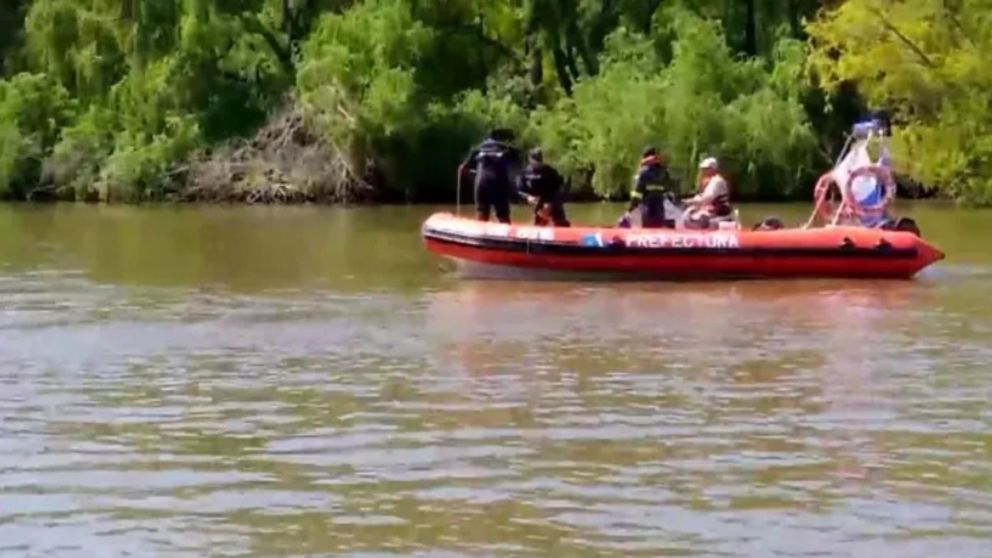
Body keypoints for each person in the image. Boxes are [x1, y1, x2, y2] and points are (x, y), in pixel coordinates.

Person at [459, 129, 520, 223]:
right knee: (503, 215)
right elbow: (516, 164)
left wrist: (472, 176)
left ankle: (480, 234)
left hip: (481, 182)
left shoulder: (477, 149)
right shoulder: (507, 149)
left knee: (482, 213)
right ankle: (508, 233)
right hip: (499, 182)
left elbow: (462, 169)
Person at [516, 147, 570, 227]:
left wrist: (550, 203)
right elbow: (520, 190)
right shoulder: (525, 173)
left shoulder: (550, 172)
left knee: (559, 221)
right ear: (529, 159)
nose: (537, 163)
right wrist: (528, 197)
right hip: (539, 199)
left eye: (539, 161)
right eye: (535, 160)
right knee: (539, 223)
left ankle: (564, 228)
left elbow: (559, 187)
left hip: (552, 198)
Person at [624, 146, 675, 228]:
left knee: (648, 231)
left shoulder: (644, 172)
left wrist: (629, 210)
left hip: (648, 209)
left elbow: (637, 195)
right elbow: (669, 194)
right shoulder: (664, 172)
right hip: (660, 210)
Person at [684, 156, 732, 226]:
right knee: (690, 213)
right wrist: (693, 201)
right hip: (713, 209)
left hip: (719, 211)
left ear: (713, 169)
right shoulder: (712, 180)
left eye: (706, 169)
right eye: (704, 169)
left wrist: (691, 201)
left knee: (699, 218)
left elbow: (708, 197)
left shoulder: (717, 181)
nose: (704, 171)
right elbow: (702, 196)